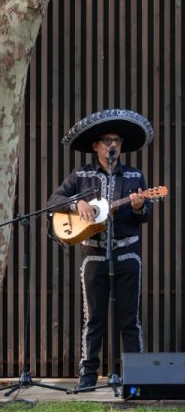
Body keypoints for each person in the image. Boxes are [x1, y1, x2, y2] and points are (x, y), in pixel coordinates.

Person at [48, 109, 155, 390]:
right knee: (93, 318)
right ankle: (88, 377)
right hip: (93, 253)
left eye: (117, 141)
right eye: (107, 141)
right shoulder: (80, 176)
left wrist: (140, 205)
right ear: (96, 146)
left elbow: (146, 216)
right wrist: (76, 204)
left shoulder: (135, 176)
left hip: (127, 253)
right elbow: (53, 200)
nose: (113, 146)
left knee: (130, 319)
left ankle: (137, 378)